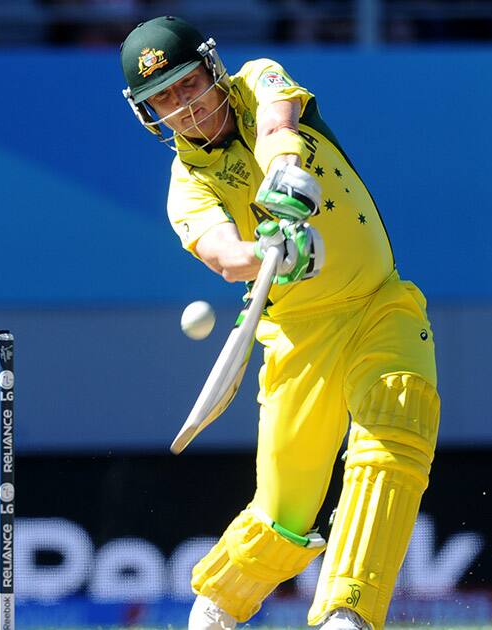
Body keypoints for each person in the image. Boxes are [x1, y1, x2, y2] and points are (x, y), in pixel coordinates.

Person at [119, 16, 439, 630]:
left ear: (213, 72)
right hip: (297, 333)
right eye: (163, 100)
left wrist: (284, 172)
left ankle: (347, 611)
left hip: (378, 301)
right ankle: (219, 603)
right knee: (284, 514)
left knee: (397, 428)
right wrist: (269, 250)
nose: (183, 109)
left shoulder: (259, 76)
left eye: (188, 87)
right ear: (147, 114)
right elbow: (221, 253)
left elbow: (276, 122)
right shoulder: (186, 187)